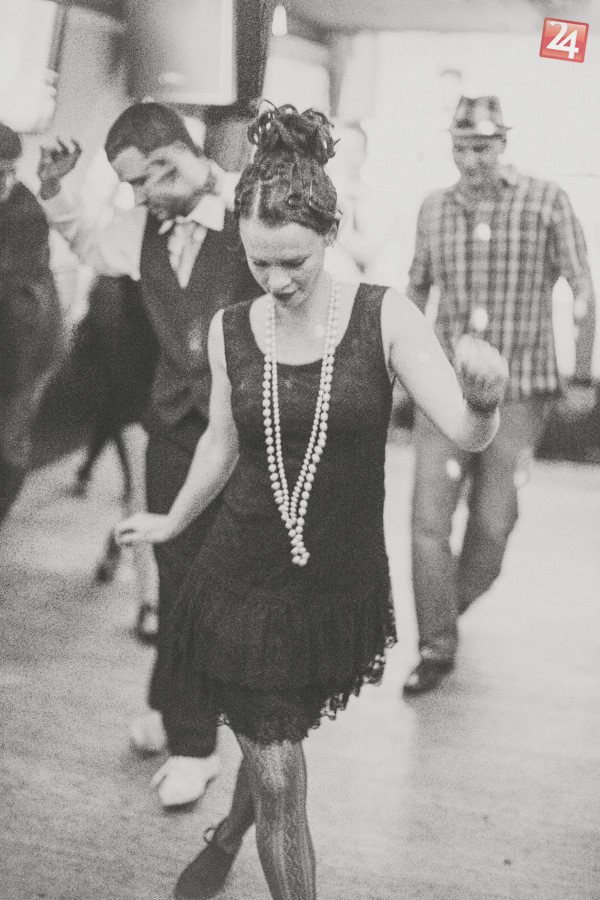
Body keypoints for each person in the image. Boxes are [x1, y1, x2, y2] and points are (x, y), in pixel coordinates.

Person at [116, 103, 508, 900]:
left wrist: (485, 398)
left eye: (293, 260)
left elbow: (466, 433)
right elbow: (219, 444)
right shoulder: (232, 329)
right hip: (243, 578)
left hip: (335, 580)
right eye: (258, 262)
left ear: (330, 233)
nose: (277, 281)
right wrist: (171, 520)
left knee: (279, 741)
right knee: (278, 770)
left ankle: (230, 832)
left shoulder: (384, 317)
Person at [37, 101, 259, 807]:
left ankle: (195, 743)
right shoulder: (141, 229)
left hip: (248, 436)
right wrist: (54, 189)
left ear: (175, 159)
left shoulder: (254, 211)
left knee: (218, 586)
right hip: (173, 430)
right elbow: (90, 243)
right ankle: (179, 721)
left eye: (144, 179)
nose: (138, 196)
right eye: (130, 185)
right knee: (176, 577)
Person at [403, 95, 597, 696]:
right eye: (461, 147)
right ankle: (435, 645)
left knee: (493, 523)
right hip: (443, 389)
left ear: (503, 144)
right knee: (427, 522)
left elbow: (583, 288)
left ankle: (449, 606)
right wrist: (398, 366)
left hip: (521, 393)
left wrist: (582, 374)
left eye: (483, 147)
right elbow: (415, 290)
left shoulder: (546, 200)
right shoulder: (434, 207)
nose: (471, 159)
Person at [0, 122, 64, 525]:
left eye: (8, 171)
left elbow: (9, 279)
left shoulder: (24, 214)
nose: (3, 182)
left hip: (26, 342)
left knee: (9, 436)